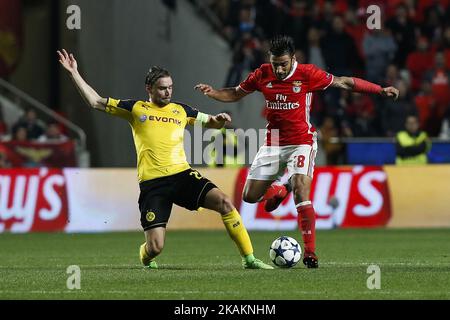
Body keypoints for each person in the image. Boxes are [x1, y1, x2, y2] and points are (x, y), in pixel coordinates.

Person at [57, 49, 273, 270]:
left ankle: (249, 259)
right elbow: (95, 102)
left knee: (225, 202)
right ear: (149, 89)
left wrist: (219, 119)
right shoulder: (134, 109)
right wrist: (74, 72)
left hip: (182, 175)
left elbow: (211, 123)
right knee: (156, 247)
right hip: (153, 184)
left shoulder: (181, 110)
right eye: (162, 88)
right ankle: (145, 254)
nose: (168, 92)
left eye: (170, 87)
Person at [195, 35, 399, 268]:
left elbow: (345, 82)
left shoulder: (308, 74)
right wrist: (213, 93)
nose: (279, 69)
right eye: (275, 64)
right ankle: (281, 189)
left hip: (302, 141)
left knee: (302, 189)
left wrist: (379, 90)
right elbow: (235, 93)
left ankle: (310, 252)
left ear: (293, 59)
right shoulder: (262, 73)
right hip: (273, 142)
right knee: (249, 197)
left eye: (283, 63)